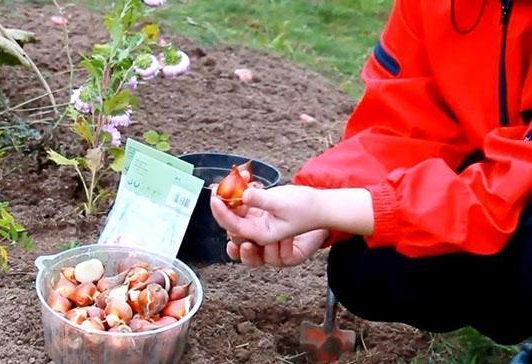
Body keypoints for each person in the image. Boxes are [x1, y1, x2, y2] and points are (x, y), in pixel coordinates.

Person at [209, 0, 532, 361]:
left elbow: (512, 190)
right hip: (497, 171)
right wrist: (323, 204)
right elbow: (404, 122)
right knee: (366, 265)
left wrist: (336, 207)